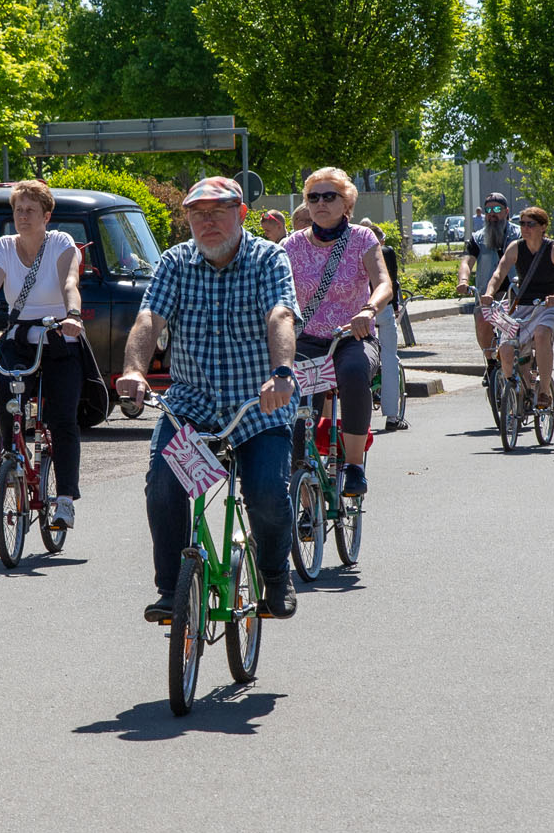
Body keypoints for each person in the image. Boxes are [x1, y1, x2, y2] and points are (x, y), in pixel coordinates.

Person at [117, 176, 301, 622]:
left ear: (241, 214)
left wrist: (282, 374)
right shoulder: (175, 263)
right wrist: (134, 371)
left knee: (267, 494)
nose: (208, 223)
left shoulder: (267, 257)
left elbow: (280, 313)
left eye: (218, 212)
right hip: (191, 408)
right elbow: (149, 317)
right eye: (198, 215)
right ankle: (170, 589)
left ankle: (276, 576)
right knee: (163, 485)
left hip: (257, 408)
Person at [0, 180, 86, 530]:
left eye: (30, 210)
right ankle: (14, 456)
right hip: (19, 336)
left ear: (47, 215)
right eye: (18, 210)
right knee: (5, 398)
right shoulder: (3, 246)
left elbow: (69, 284)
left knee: (62, 420)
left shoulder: (61, 243)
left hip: (60, 336)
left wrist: (72, 316)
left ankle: (65, 500)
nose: (23, 216)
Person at [280, 169, 393, 495]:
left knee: (355, 372)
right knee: (295, 412)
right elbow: (271, 292)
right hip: (305, 340)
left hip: (351, 337)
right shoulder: (290, 246)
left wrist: (368, 309)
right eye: (313, 197)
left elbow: (383, 283)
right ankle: (301, 495)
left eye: (329, 196)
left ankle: (355, 466)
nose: (320, 203)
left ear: (347, 204)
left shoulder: (362, 238)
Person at [480, 206, 554, 409]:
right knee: (506, 348)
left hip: (550, 307)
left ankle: (545, 392)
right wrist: (489, 293)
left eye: (531, 224)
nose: (525, 228)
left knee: (541, 333)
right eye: (522, 223)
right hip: (523, 307)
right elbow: (499, 273)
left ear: (543, 226)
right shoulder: (515, 247)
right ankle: (521, 388)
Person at [457, 192, 521, 384]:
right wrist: (463, 281)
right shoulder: (477, 238)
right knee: (481, 318)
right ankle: (491, 363)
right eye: (488, 210)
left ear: (507, 212)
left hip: (515, 292)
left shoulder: (519, 234)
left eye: (497, 210)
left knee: (518, 327)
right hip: (487, 295)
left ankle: (527, 362)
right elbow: (466, 262)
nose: (492, 214)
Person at [359, 219, 408, 431]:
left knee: (358, 358)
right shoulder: (386, 252)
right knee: (389, 358)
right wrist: (396, 306)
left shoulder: (353, 248)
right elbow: (392, 281)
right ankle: (392, 416)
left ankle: (360, 416)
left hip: (359, 309)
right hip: (383, 308)